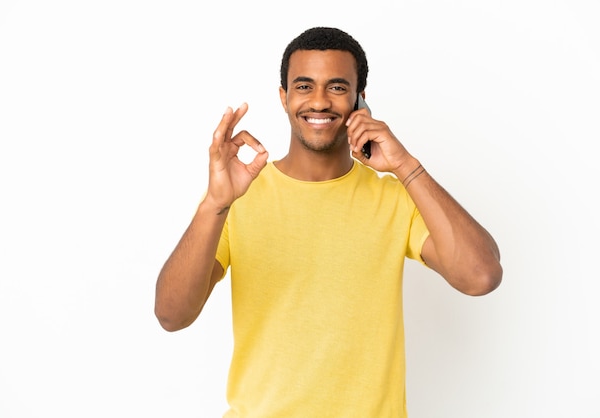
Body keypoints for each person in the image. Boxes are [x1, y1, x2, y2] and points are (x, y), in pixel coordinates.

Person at [155, 26, 502, 417]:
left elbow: (481, 275)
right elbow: (171, 315)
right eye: (304, 87)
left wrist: (405, 165)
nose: (319, 102)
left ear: (360, 100)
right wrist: (214, 204)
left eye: (336, 87)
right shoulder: (235, 197)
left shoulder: (394, 198)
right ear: (284, 98)